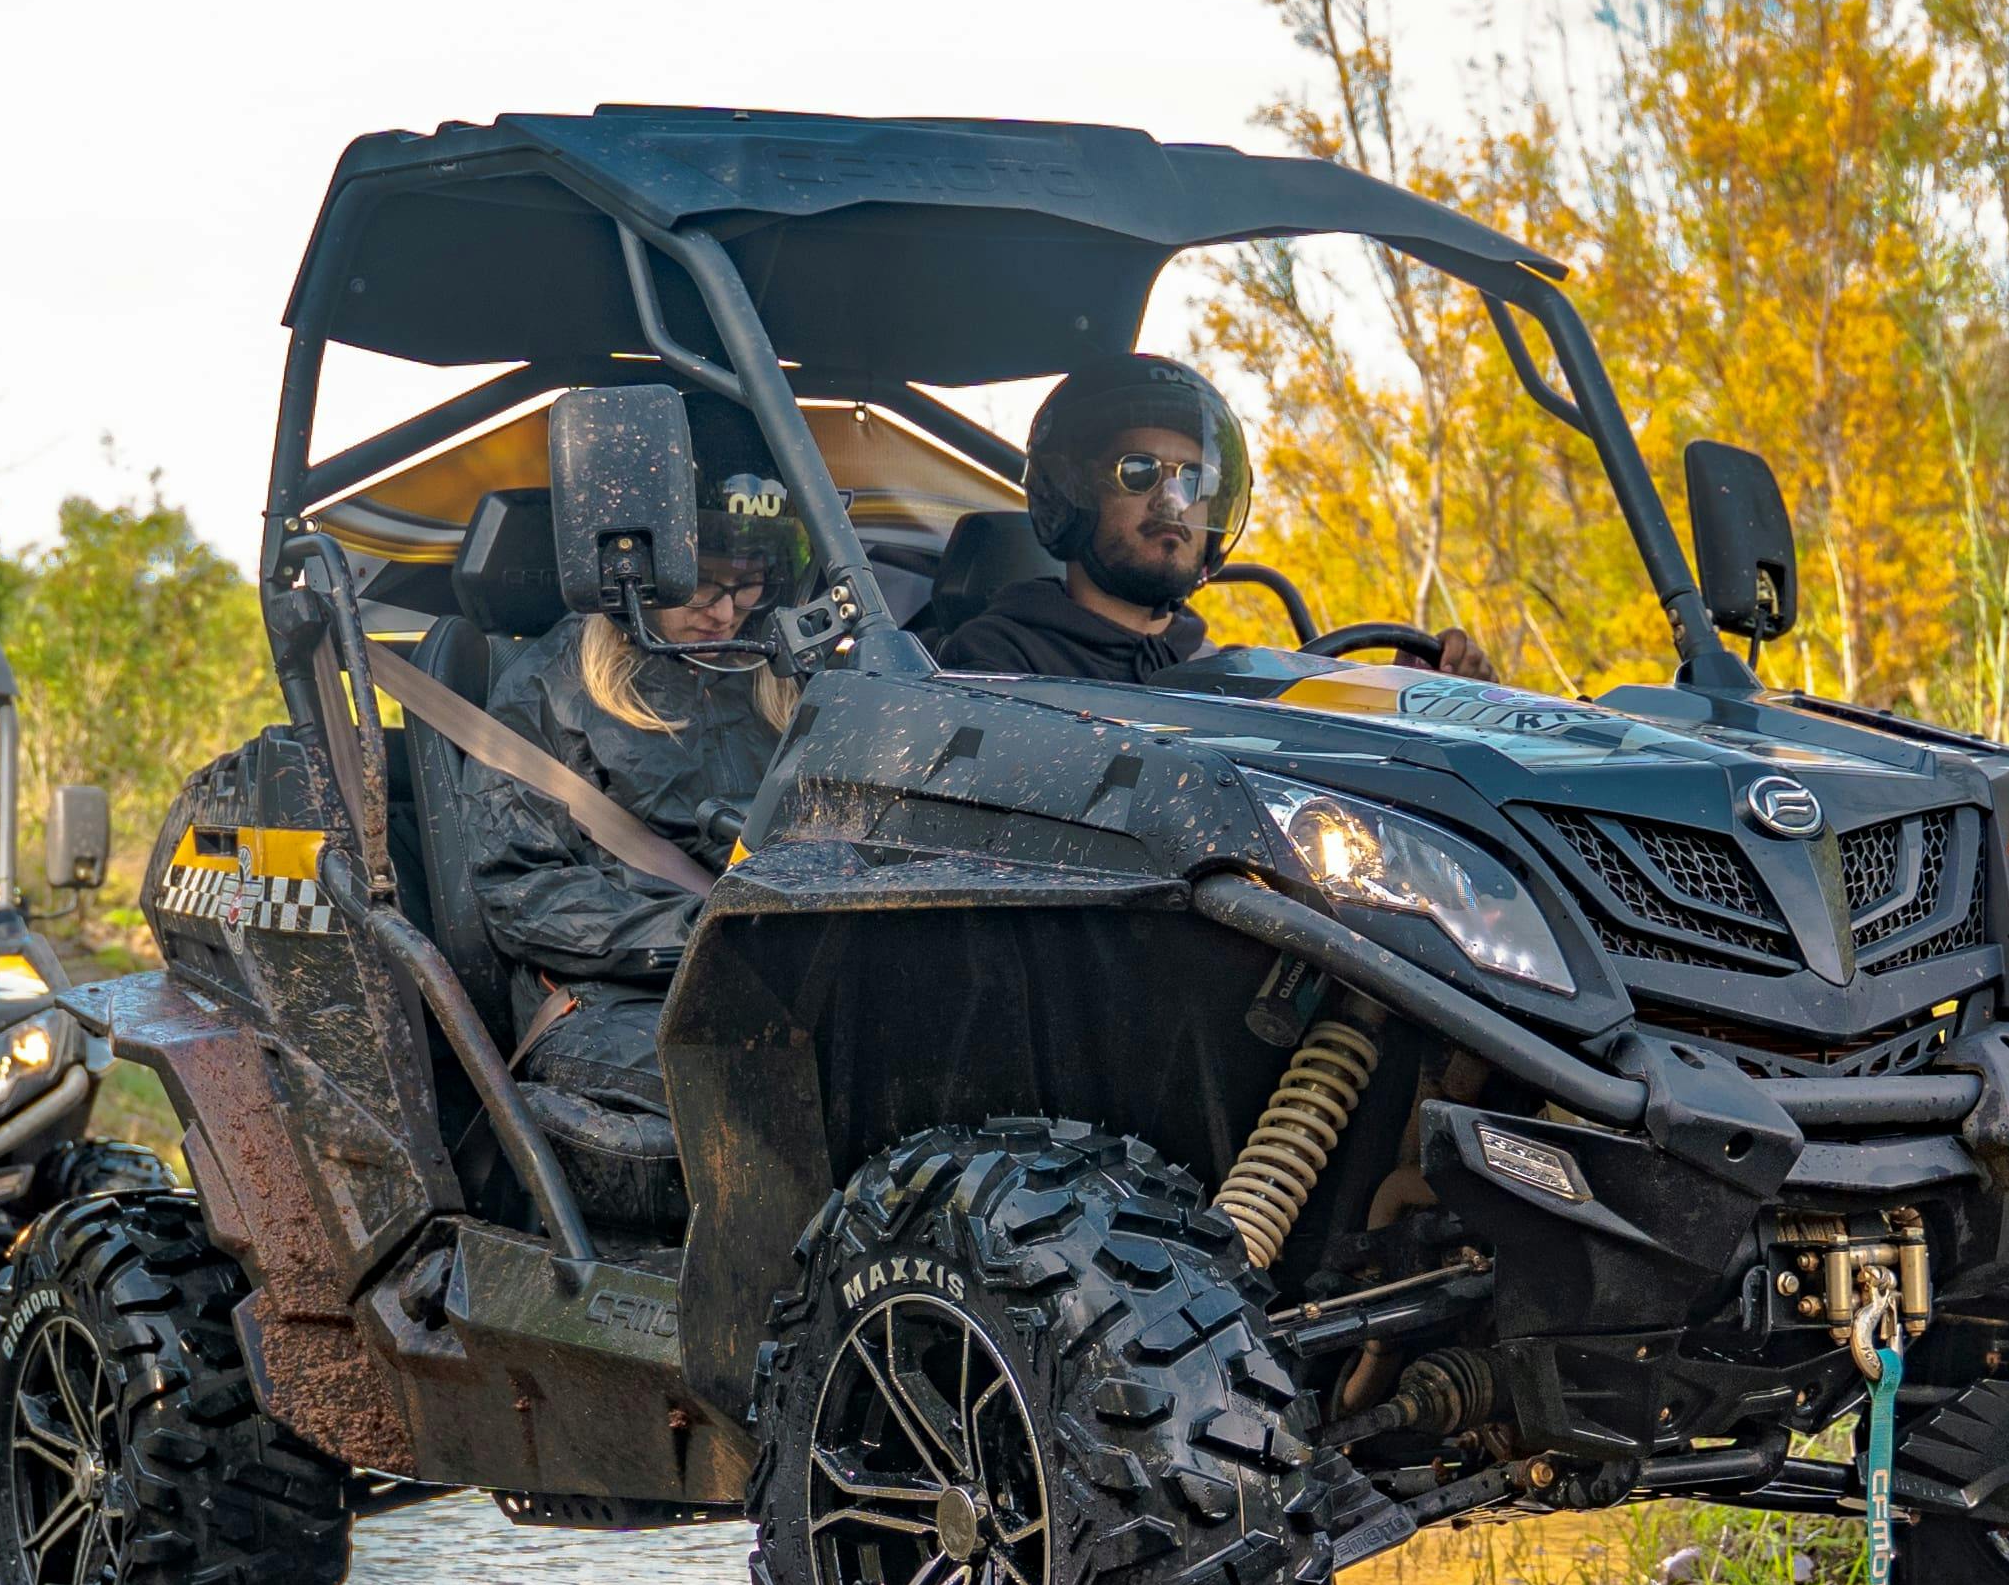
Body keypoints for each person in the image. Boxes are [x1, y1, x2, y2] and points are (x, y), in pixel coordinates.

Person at [459, 395, 811, 1235]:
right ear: (636, 563)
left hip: (778, 986)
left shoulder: (787, 685)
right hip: (601, 1004)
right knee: (773, 1088)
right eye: (703, 579)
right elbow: (522, 892)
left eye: (750, 580)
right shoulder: (551, 691)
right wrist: (698, 930)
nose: (726, 610)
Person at [943, 355, 1498, 682]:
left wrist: (1402, 695)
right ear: (1069, 494)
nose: (1172, 501)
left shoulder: (1227, 673)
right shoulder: (994, 664)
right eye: (1138, 472)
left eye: (1196, 480)